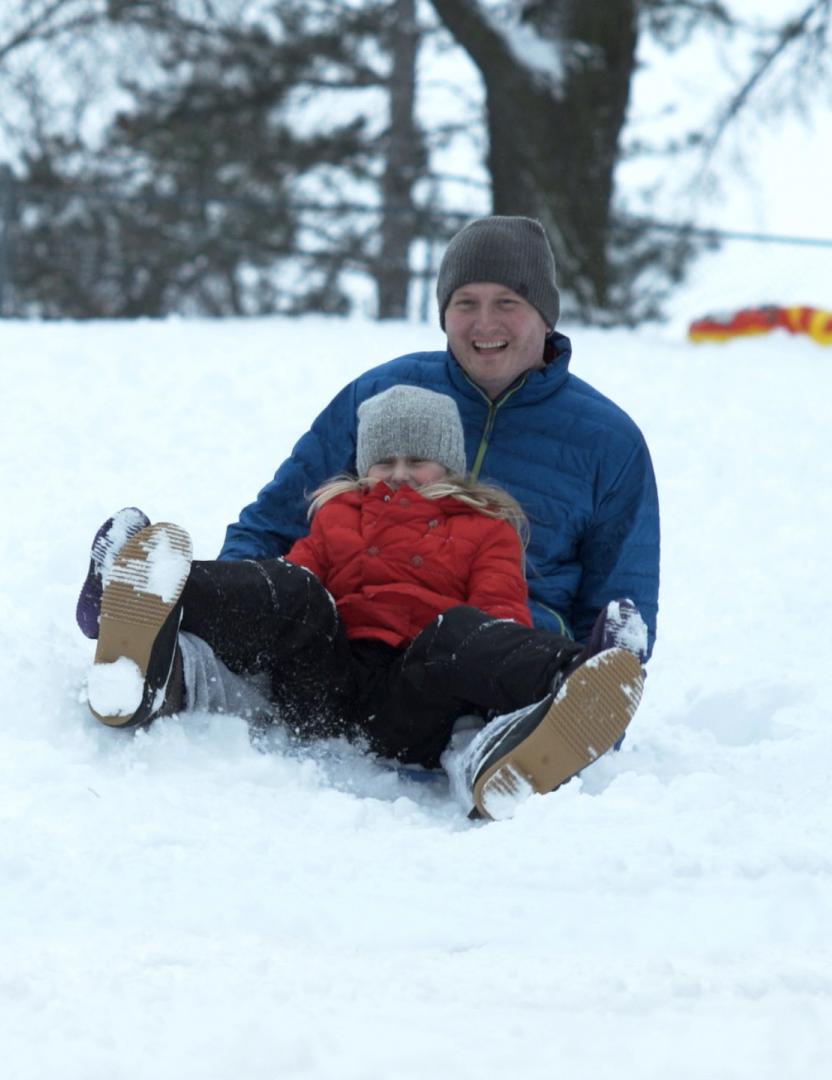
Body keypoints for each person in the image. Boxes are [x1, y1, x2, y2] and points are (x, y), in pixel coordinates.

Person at [77, 216, 659, 661]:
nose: (486, 324)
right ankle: (144, 602)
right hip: (353, 639)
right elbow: (275, 522)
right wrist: (232, 616)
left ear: (545, 315)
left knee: (471, 636)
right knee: (292, 590)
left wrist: (592, 690)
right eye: (466, 303)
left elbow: (621, 603)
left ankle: (521, 736)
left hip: (494, 657)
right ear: (443, 313)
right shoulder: (384, 394)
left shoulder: (607, 441)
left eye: (508, 303)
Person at [83, 385, 645, 819]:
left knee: (461, 631)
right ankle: (148, 590)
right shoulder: (337, 513)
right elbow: (283, 596)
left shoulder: (486, 528)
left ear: (448, 464)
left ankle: (583, 677)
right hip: (324, 684)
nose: (399, 474)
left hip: (414, 700)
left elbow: (501, 618)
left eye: (418, 461)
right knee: (296, 590)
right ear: (364, 464)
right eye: (384, 461)